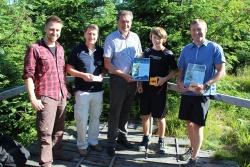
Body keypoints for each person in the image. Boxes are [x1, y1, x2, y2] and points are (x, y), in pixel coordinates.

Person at [23, 15, 72, 167]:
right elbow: (28, 75)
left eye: (58, 30)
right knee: (45, 132)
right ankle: (46, 162)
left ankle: (57, 152)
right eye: (52, 29)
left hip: (61, 95)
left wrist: (66, 90)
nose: (55, 33)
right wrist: (33, 98)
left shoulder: (60, 48)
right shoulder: (35, 48)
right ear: (45, 28)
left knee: (59, 130)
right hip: (45, 96)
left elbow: (62, 72)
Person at [177, 19, 226, 167]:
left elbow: (221, 71)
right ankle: (192, 149)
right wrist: (179, 81)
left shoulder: (214, 48)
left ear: (205, 30)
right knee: (189, 124)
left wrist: (206, 85)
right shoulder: (186, 49)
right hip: (187, 92)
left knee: (197, 125)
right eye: (193, 30)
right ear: (190, 32)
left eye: (199, 29)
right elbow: (181, 69)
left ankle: (194, 158)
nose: (197, 32)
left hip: (202, 93)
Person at [103, 10, 142, 156]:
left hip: (132, 80)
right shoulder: (111, 38)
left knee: (126, 110)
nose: (126, 24)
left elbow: (139, 57)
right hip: (118, 80)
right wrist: (124, 75)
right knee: (115, 112)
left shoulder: (135, 37)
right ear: (118, 21)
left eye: (128, 21)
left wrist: (138, 80)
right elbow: (107, 64)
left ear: (131, 22)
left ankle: (122, 138)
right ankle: (111, 143)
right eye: (123, 21)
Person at [137, 27, 178, 154]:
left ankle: (161, 141)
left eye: (159, 37)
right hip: (145, 88)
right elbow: (140, 68)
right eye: (154, 37)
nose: (157, 40)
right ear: (151, 38)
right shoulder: (147, 52)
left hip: (160, 90)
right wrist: (139, 83)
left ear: (164, 39)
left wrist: (164, 79)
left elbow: (176, 70)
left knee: (160, 117)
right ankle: (145, 138)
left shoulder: (168, 54)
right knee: (145, 115)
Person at [66, 24, 104, 156]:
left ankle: (93, 142)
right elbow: (69, 69)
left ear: (97, 36)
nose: (91, 36)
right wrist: (83, 75)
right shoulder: (77, 50)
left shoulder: (101, 51)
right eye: (89, 33)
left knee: (95, 118)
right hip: (82, 91)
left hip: (98, 90)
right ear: (84, 34)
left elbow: (104, 68)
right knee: (81, 118)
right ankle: (82, 145)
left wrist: (101, 76)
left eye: (94, 34)